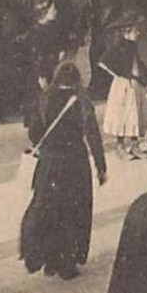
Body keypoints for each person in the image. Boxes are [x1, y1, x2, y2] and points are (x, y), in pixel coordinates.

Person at [19, 63, 108, 280]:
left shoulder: (44, 99)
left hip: (49, 164)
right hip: (74, 164)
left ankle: (50, 260)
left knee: (50, 210)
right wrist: (101, 167)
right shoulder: (82, 101)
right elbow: (93, 136)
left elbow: (34, 134)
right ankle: (67, 262)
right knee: (73, 212)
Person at [101, 12, 147, 158]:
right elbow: (104, 62)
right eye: (136, 31)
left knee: (134, 112)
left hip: (134, 85)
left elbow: (136, 63)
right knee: (122, 114)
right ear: (126, 32)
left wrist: (141, 74)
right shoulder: (119, 47)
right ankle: (120, 145)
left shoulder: (132, 46)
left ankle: (134, 145)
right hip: (123, 85)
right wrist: (121, 74)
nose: (138, 33)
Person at [0, 0, 37, 122]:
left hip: (9, 36)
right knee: (26, 68)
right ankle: (24, 102)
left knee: (10, 68)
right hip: (27, 34)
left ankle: (11, 103)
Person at [85, 0, 123, 100]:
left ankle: (101, 89)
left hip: (104, 29)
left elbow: (107, 9)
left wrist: (99, 24)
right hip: (103, 28)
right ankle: (100, 87)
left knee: (99, 57)